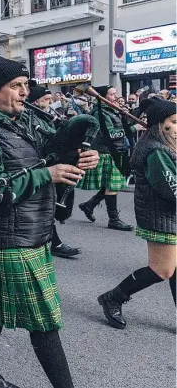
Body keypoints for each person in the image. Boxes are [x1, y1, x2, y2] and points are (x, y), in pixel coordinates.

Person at [0, 53, 99, 388]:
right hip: (9, 237)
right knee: (45, 324)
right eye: (16, 85)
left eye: (25, 85)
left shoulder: (22, 121)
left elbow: (50, 150)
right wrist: (45, 174)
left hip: (31, 229)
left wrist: (80, 155)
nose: (25, 92)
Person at [98, 98, 176, 329]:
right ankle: (112, 298)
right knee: (162, 270)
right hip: (161, 217)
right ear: (161, 125)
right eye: (174, 121)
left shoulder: (166, 146)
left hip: (169, 214)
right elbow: (171, 190)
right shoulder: (156, 152)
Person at [28, 82, 81, 258]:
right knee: (43, 206)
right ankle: (52, 243)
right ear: (35, 101)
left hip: (49, 164)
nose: (50, 102)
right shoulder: (33, 118)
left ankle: (52, 242)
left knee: (46, 206)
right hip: (43, 165)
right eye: (46, 99)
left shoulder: (47, 116)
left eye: (50, 99)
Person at [77, 86, 134, 231]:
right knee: (112, 186)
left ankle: (89, 205)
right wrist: (134, 129)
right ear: (103, 96)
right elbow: (109, 134)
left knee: (110, 185)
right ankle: (113, 220)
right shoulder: (100, 112)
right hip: (106, 152)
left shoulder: (110, 110)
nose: (115, 97)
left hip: (114, 151)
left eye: (115, 94)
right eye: (112, 94)